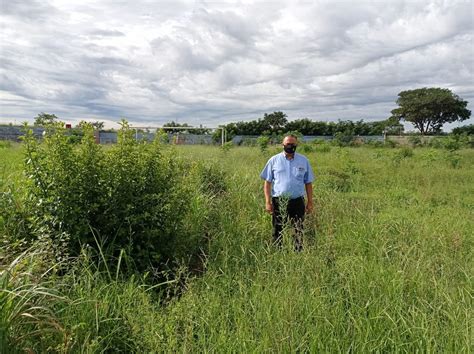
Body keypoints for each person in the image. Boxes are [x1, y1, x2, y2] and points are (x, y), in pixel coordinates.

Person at [260, 134, 314, 251]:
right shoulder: (274, 160)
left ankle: (298, 252)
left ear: (297, 145)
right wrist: (267, 202)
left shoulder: (304, 161)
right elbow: (267, 182)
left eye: (293, 144)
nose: (290, 146)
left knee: (298, 228)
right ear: (282, 145)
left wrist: (310, 202)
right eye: (288, 144)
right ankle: (277, 252)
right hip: (279, 201)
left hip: (298, 201)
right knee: (277, 228)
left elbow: (308, 183)